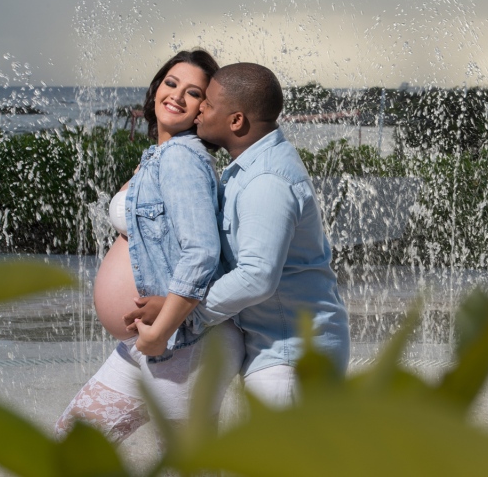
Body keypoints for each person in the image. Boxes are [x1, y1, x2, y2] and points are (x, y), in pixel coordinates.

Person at [125, 62, 350, 408]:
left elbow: (257, 277)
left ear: (236, 121)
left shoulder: (267, 181)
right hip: (276, 350)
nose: (200, 109)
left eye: (209, 104)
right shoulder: (246, 166)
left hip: (291, 354)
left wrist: (182, 312)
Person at [54, 50, 244, 443]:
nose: (176, 95)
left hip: (179, 341)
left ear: (203, 110)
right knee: (72, 446)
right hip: (149, 342)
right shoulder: (159, 156)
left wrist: (162, 328)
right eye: (171, 83)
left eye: (193, 93)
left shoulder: (180, 158)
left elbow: (202, 252)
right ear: (157, 87)